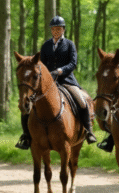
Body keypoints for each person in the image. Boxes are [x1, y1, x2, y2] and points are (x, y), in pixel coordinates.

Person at [15, 16, 96, 150]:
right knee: (27, 104)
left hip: (66, 80)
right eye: (54, 29)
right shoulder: (46, 45)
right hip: (48, 82)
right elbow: (41, 64)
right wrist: (47, 75)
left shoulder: (69, 44)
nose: (56, 31)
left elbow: (73, 63)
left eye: (59, 29)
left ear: (63, 29)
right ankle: (26, 136)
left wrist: (60, 71)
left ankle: (88, 131)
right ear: (51, 30)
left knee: (82, 101)